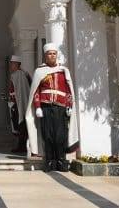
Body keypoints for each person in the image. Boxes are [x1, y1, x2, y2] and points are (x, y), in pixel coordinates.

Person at [25, 43, 80, 172]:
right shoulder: (39, 71)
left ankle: (61, 160)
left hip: (61, 107)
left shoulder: (63, 71)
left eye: (54, 54)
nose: (52, 56)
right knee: (48, 135)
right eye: (49, 54)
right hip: (45, 107)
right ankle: (49, 161)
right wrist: (37, 107)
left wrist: (69, 105)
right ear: (45, 56)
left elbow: (68, 90)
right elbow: (36, 90)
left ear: (57, 55)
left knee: (60, 136)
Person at [7, 55, 31, 153]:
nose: (11, 66)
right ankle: (21, 145)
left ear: (17, 64)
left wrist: (15, 100)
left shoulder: (19, 75)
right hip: (17, 102)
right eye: (11, 64)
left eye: (12, 64)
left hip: (19, 103)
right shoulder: (18, 74)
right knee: (18, 124)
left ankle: (22, 146)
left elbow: (20, 91)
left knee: (21, 125)